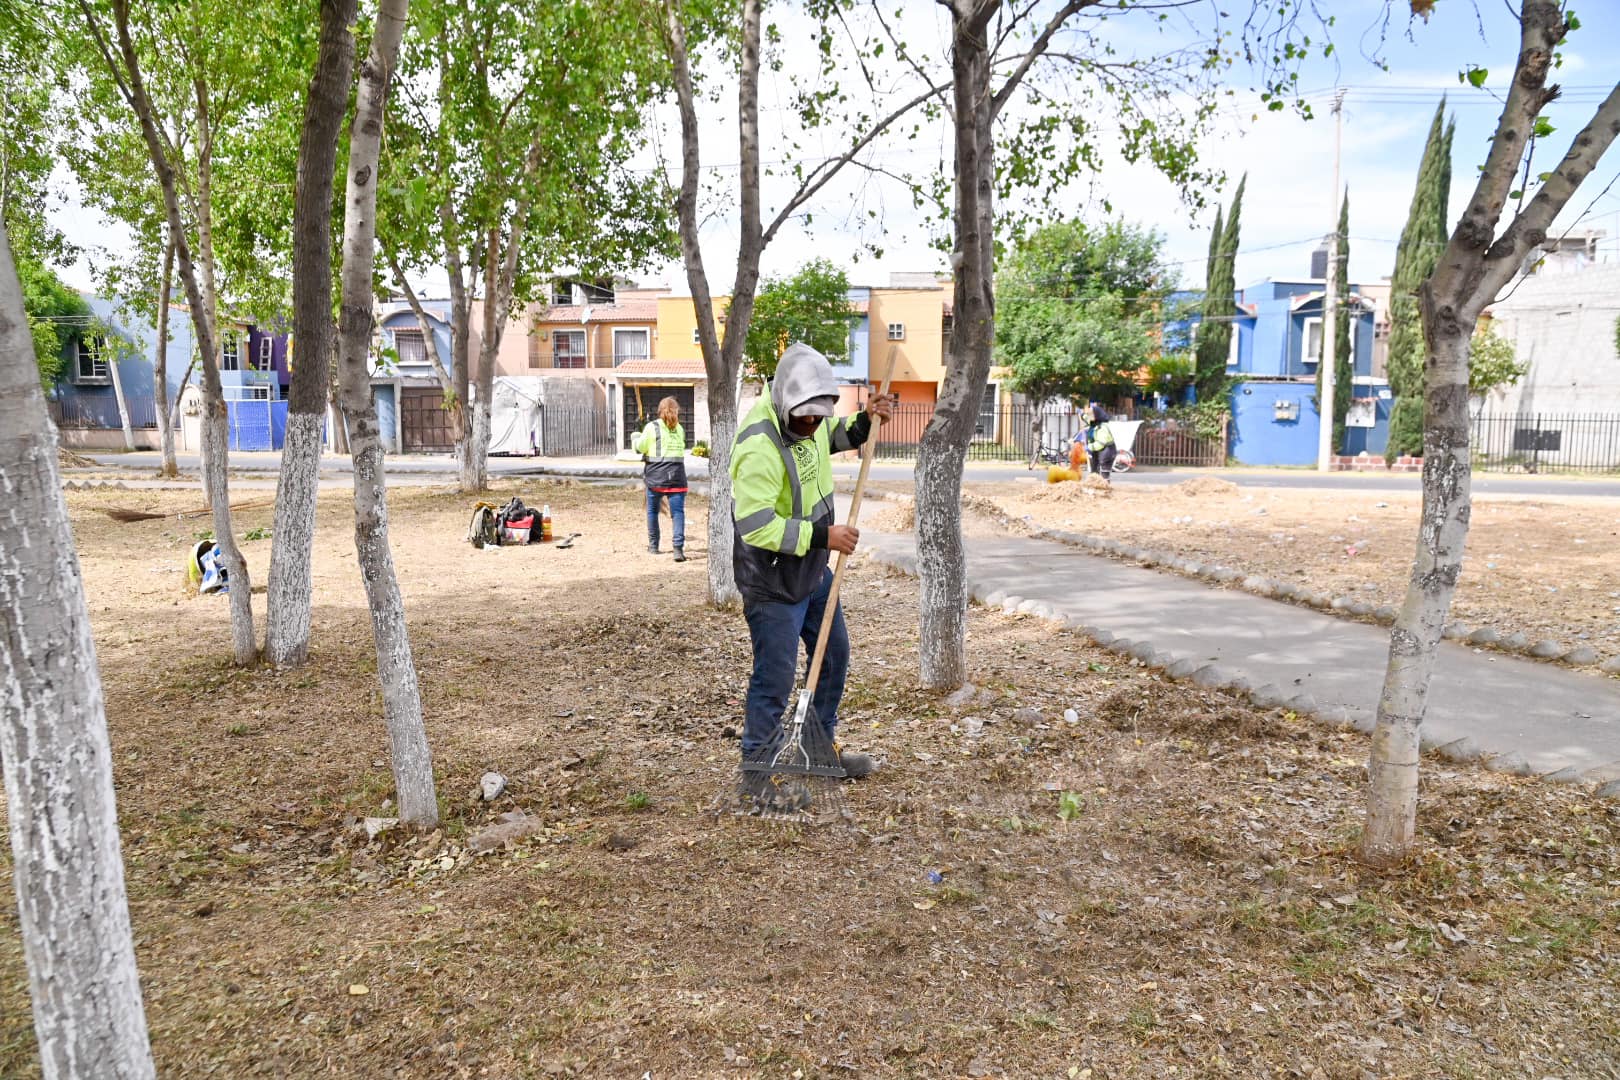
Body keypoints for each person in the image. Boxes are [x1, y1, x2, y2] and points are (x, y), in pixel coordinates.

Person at [730, 343, 896, 780]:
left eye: (817, 417)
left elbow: (834, 435)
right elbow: (757, 525)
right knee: (776, 679)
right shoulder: (757, 446)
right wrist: (826, 536)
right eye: (804, 418)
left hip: (812, 569)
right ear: (785, 401)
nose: (811, 425)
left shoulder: (812, 418)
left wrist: (864, 422)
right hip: (772, 581)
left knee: (834, 655)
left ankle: (817, 747)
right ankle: (757, 774)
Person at [634, 396, 689, 561]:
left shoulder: (651, 427)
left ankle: (653, 546)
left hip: (655, 478)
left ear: (659, 410)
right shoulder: (679, 429)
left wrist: (635, 438)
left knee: (652, 511)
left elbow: (641, 447)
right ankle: (678, 550)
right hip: (677, 478)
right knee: (677, 513)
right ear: (676, 411)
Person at [1080, 402, 1117, 482]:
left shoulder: (1102, 427)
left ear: (1097, 415)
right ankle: (1094, 486)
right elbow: (1085, 417)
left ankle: (1105, 487)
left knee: (1104, 473)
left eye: (1091, 414)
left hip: (1107, 451)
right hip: (1097, 450)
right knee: (1094, 471)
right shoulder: (1093, 423)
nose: (1089, 416)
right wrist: (1082, 414)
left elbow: (1101, 443)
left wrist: (1089, 447)